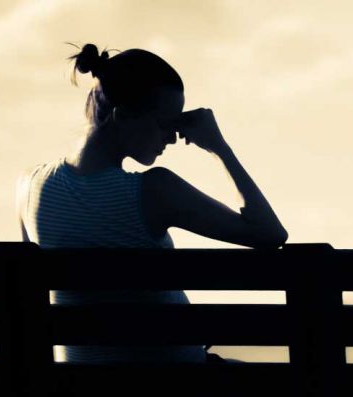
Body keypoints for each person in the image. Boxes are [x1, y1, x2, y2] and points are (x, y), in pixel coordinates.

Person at [15, 43, 288, 363]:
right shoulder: (154, 191)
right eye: (164, 123)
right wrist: (218, 146)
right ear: (123, 117)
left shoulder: (29, 185)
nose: (173, 137)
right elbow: (270, 233)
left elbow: (28, 300)